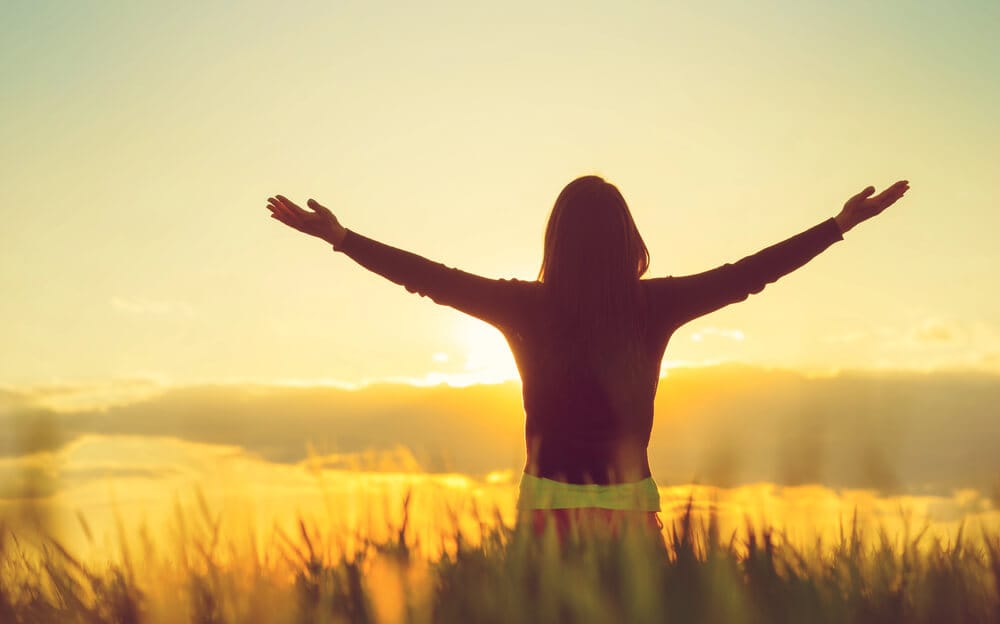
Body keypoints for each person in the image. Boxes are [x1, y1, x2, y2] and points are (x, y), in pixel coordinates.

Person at [265, 175, 910, 544]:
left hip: (544, 516)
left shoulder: (525, 307)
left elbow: (427, 276)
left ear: (555, 240)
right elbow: (751, 273)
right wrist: (838, 225)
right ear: (629, 240)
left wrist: (343, 240)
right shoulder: (651, 307)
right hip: (630, 515)